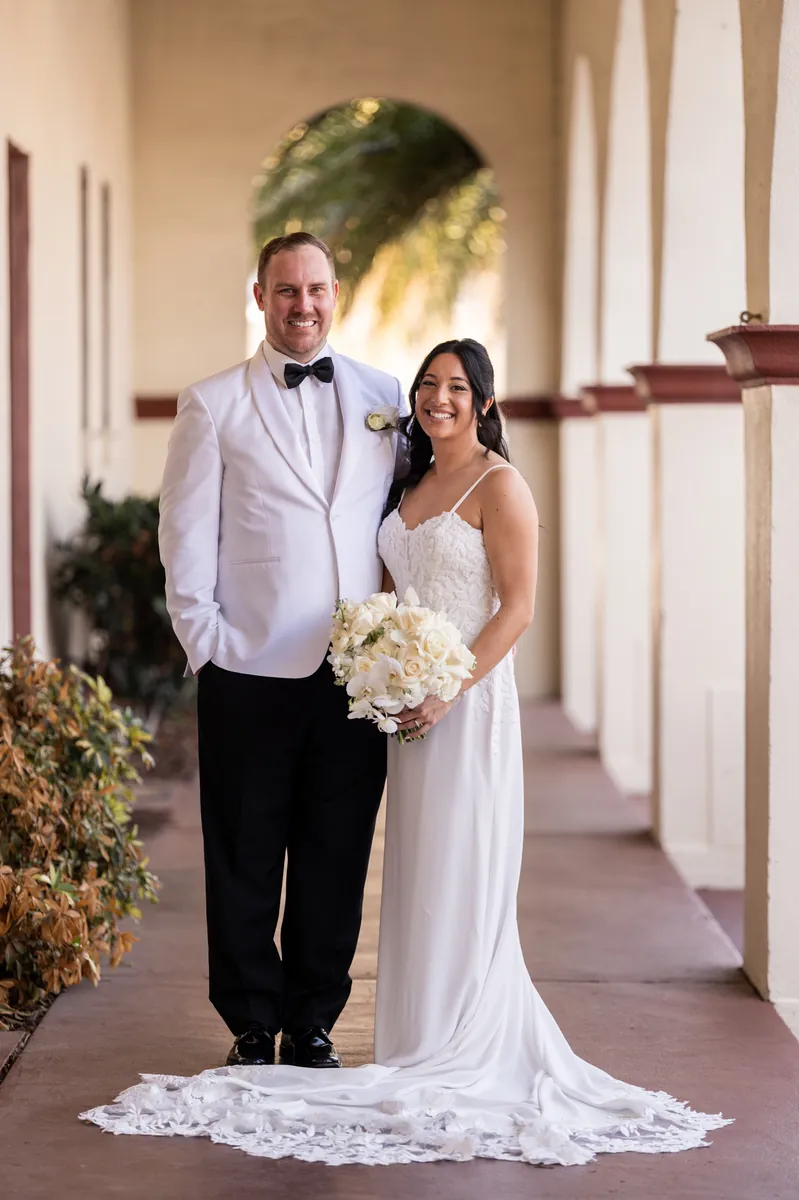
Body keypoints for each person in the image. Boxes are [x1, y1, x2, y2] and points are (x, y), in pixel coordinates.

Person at [82, 339, 730, 1167]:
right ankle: (314, 1027)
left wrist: (442, 685)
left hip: (450, 702)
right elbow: (197, 528)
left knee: (363, 858)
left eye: (458, 387)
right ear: (266, 295)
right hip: (336, 686)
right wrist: (212, 642)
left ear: (486, 402)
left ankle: (374, 1029)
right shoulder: (380, 463)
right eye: (430, 384)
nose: (438, 398)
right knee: (353, 860)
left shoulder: (485, 472)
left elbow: (517, 606)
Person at [153, 232, 404, 1069]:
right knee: (244, 849)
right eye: (286, 290)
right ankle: (251, 1021)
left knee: (338, 851)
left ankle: (314, 1019)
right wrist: (209, 649)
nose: (304, 305)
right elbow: (184, 540)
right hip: (248, 669)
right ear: (260, 296)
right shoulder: (213, 402)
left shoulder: (384, 395)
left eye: (317, 289)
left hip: (355, 673)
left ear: (338, 294)